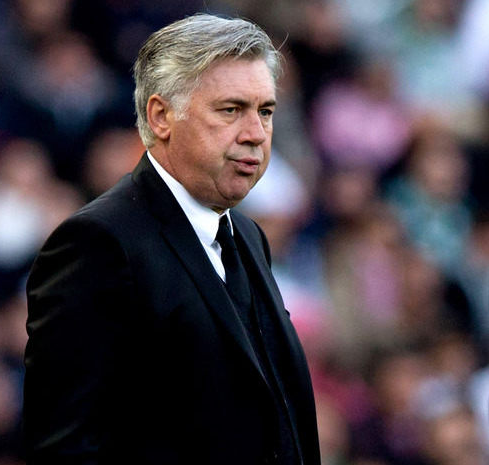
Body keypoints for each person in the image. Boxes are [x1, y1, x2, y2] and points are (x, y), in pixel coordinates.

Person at [23, 13, 320, 465]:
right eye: (231, 110)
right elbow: (66, 447)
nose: (256, 135)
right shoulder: (97, 243)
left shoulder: (247, 235)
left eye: (265, 111)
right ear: (161, 116)